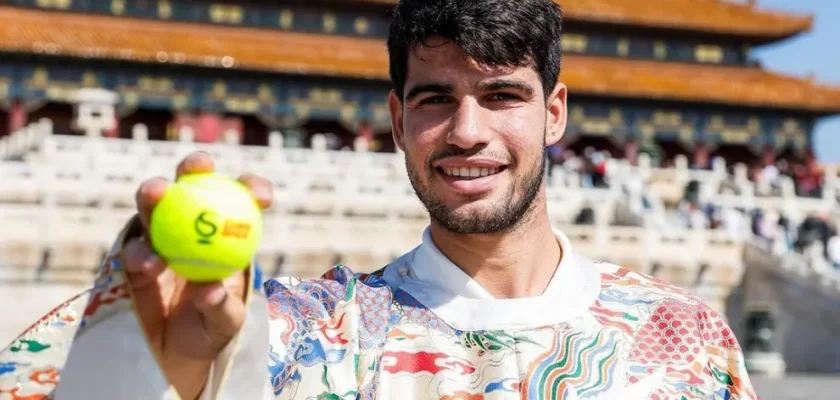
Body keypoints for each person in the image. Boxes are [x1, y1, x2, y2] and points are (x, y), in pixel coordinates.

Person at [0, 0, 758, 398]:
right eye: (435, 99)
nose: (467, 131)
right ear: (398, 120)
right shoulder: (312, 335)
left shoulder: (684, 337)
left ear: (553, 112)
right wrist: (156, 361)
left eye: (502, 96)